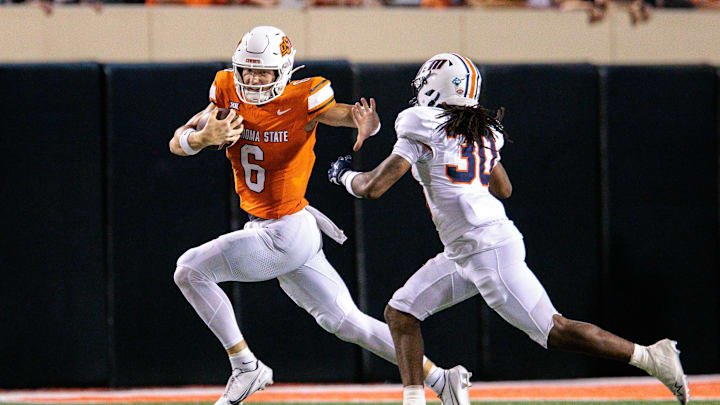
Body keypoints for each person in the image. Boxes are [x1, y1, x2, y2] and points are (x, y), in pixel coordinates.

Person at [328, 52, 690, 405]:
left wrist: (343, 175)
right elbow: (504, 188)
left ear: (433, 87)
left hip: (485, 248)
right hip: (467, 248)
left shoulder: (419, 125)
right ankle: (417, 398)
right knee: (401, 313)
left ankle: (650, 357)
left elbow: (372, 187)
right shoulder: (483, 131)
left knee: (555, 330)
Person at [169, 27, 470, 405]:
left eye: (263, 72)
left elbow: (348, 116)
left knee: (190, 270)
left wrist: (367, 124)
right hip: (285, 227)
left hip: (284, 233)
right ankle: (442, 380)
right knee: (346, 322)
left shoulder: (303, 99)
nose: (254, 80)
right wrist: (200, 139)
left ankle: (245, 365)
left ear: (284, 71)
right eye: (247, 71)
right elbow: (178, 140)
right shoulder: (226, 93)